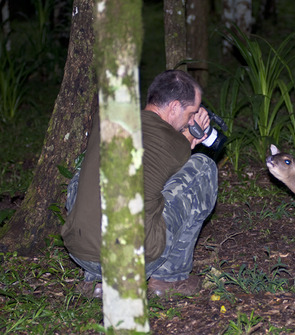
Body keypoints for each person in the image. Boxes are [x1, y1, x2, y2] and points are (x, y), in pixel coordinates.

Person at [62, 70, 218, 298]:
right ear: (174, 107)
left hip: (81, 253)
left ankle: (97, 281)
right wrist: (191, 135)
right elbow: (177, 156)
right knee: (203, 167)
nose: (192, 118)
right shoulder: (173, 141)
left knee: (85, 174)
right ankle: (169, 280)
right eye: (192, 112)